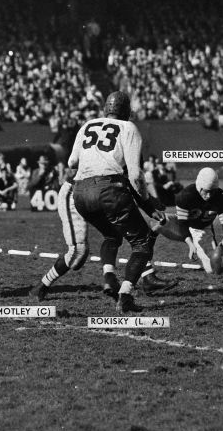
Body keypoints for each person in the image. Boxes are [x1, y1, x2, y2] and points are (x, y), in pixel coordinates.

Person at [64, 90, 162, 313]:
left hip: (80, 193)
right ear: (127, 111)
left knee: (112, 235)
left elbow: (72, 162)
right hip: (109, 190)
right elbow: (135, 176)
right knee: (143, 242)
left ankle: (109, 277)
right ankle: (125, 295)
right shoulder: (129, 128)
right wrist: (148, 204)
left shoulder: (87, 125)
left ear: (105, 108)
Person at [155, 167, 223, 275]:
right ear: (199, 187)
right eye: (207, 191)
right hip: (184, 224)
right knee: (157, 222)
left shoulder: (221, 197)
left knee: (213, 269)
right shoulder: (186, 196)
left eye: (213, 192)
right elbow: (182, 223)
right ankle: (167, 223)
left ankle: (169, 223)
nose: (209, 196)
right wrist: (190, 244)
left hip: (201, 229)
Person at [34, 165, 89, 300]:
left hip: (94, 193)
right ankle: (42, 286)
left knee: (78, 259)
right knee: (78, 251)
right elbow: (73, 162)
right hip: (75, 192)